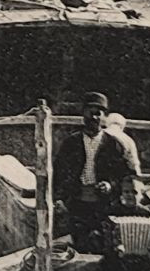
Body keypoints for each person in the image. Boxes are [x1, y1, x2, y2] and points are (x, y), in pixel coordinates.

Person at [52, 92, 142, 252]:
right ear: (83, 114)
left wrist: (110, 185)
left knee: (103, 244)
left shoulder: (113, 145)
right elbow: (58, 172)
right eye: (90, 112)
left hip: (104, 204)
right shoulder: (71, 143)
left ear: (104, 117)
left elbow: (124, 176)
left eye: (98, 113)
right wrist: (59, 198)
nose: (94, 117)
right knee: (78, 244)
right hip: (76, 202)